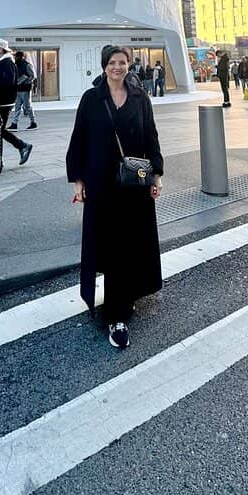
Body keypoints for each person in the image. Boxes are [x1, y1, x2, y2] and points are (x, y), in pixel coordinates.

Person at [66, 44, 164, 350]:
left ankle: (121, 304)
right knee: (108, 245)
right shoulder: (91, 99)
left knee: (131, 243)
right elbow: (78, 138)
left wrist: (156, 174)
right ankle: (116, 314)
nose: (117, 67)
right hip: (100, 185)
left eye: (122, 63)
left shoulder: (139, 97)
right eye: (112, 63)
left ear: (129, 65)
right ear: (104, 65)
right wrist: (77, 180)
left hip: (133, 184)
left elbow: (151, 135)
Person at [0, 39, 33, 166]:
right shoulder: (4, 62)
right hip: (3, 101)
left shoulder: (6, 63)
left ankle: (19, 147)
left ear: (0, 49)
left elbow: (7, 82)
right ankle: (13, 151)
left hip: (3, 102)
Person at [8, 49, 38, 129]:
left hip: (25, 89)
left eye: (16, 56)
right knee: (17, 107)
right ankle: (14, 124)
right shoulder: (15, 65)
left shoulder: (27, 65)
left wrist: (25, 82)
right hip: (18, 89)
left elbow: (32, 76)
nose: (15, 58)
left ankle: (33, 122)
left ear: (20, 57)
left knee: (27, 107)